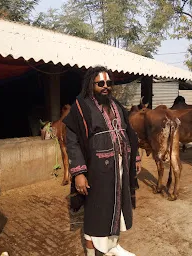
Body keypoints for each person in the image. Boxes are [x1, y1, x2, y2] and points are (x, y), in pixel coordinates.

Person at [64, 66, 141, 256]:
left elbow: (129, 133)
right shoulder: (81, 107)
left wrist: (135, 157)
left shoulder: (116, 105)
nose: (105, 87)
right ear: (91, 84)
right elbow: (72, 141)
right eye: (100, 83)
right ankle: (93, 253)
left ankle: (112, 246)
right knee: (97, 211)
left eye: (108, 83)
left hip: (120, 167)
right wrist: (79, 173)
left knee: (118, 205)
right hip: (96, 169)